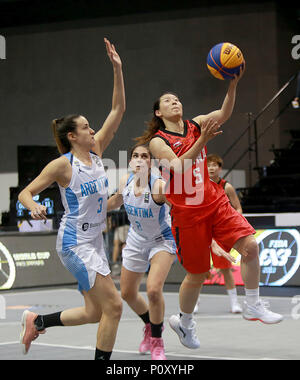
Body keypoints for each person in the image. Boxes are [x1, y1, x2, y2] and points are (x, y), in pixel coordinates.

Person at [135, 64, 283, 350]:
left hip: (214, 202)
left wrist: (232, 85)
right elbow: (177, 167)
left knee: (251, 247)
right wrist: (202, 141)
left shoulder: (197, 122)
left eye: (176, 98)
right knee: (198, 274)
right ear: (158, 113)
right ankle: (185, 322)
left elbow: (225, 113)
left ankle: (252, 304)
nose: (174, 101)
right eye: (167, 100)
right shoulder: (157, 142)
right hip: (187, 214)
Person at [18, 38, 125, 360]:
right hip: (74, 244)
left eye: (92, 127)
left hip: (94, 242)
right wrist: (34, 205)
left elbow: (118, 109)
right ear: (72, 136)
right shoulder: (63, 165)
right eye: (86, 127)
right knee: (115, 307)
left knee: (95, 312)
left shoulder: (97, 151)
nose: (93, 131)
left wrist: (118, 69)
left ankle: (38, 321)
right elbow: (26, 192)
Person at [107, 144, 176, 360]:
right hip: (136, 240)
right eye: (135, 155)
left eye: (144, 156)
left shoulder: (158, 187)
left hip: (161, 240)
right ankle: (149, 324)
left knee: (154, 290)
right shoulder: (124, 181)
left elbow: (183, 209)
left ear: (151, 162)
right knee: (127, 293)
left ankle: (157, 341)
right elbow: (114, 202)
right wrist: (91, 209)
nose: (139, 159)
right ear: (130, 162)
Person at [194, 153, 243, 314]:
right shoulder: (200, 186)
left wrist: (234, 222)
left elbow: (238, 208)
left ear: (220, 168)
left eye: (215, 165)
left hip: (221, 232)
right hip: (202, 231)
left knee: (225, 269)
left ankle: (234, 303)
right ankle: (194, 303)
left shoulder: (227, 187)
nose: (212, 168)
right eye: (209, 165)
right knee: (198, 269)